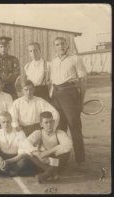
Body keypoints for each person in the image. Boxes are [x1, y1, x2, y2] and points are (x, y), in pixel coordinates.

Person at [49, 37, 87, 170]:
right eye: (57, 44)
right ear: (55, 47)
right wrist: (52, 95)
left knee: (74, 127)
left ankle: (80, 160)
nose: (60, 46)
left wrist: (81, 100)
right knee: (59, 128)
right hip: (56, 95)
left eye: (62, 44)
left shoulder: (75, 59)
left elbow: (83, 81)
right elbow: (52, 81)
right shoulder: (53, 62)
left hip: (70, 94)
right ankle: (62, 159)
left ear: (67, 45)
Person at [20, 111, 72, 183]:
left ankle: (45, 175)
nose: (49, 125)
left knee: (66, 152)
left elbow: (68, 144)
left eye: (51, 122)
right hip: (43, 161)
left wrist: (48, 152)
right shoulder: (38, 133)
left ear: (54, 122)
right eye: (46, 122)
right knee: (28, 153)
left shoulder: (60, 133)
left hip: (56, 160)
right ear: (41, 124)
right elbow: (25, 143)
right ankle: (53, 172)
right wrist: (37, 153)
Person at [0, 112, 36, 177]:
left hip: (16, 158)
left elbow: (22, 153)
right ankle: (12, 172)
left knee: (24, 162)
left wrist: (8, 161)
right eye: (3, 122)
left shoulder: (19, 132)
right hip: (3, 157)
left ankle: (3, 172)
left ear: (11, 121)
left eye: (8, 122)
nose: (6, 124)